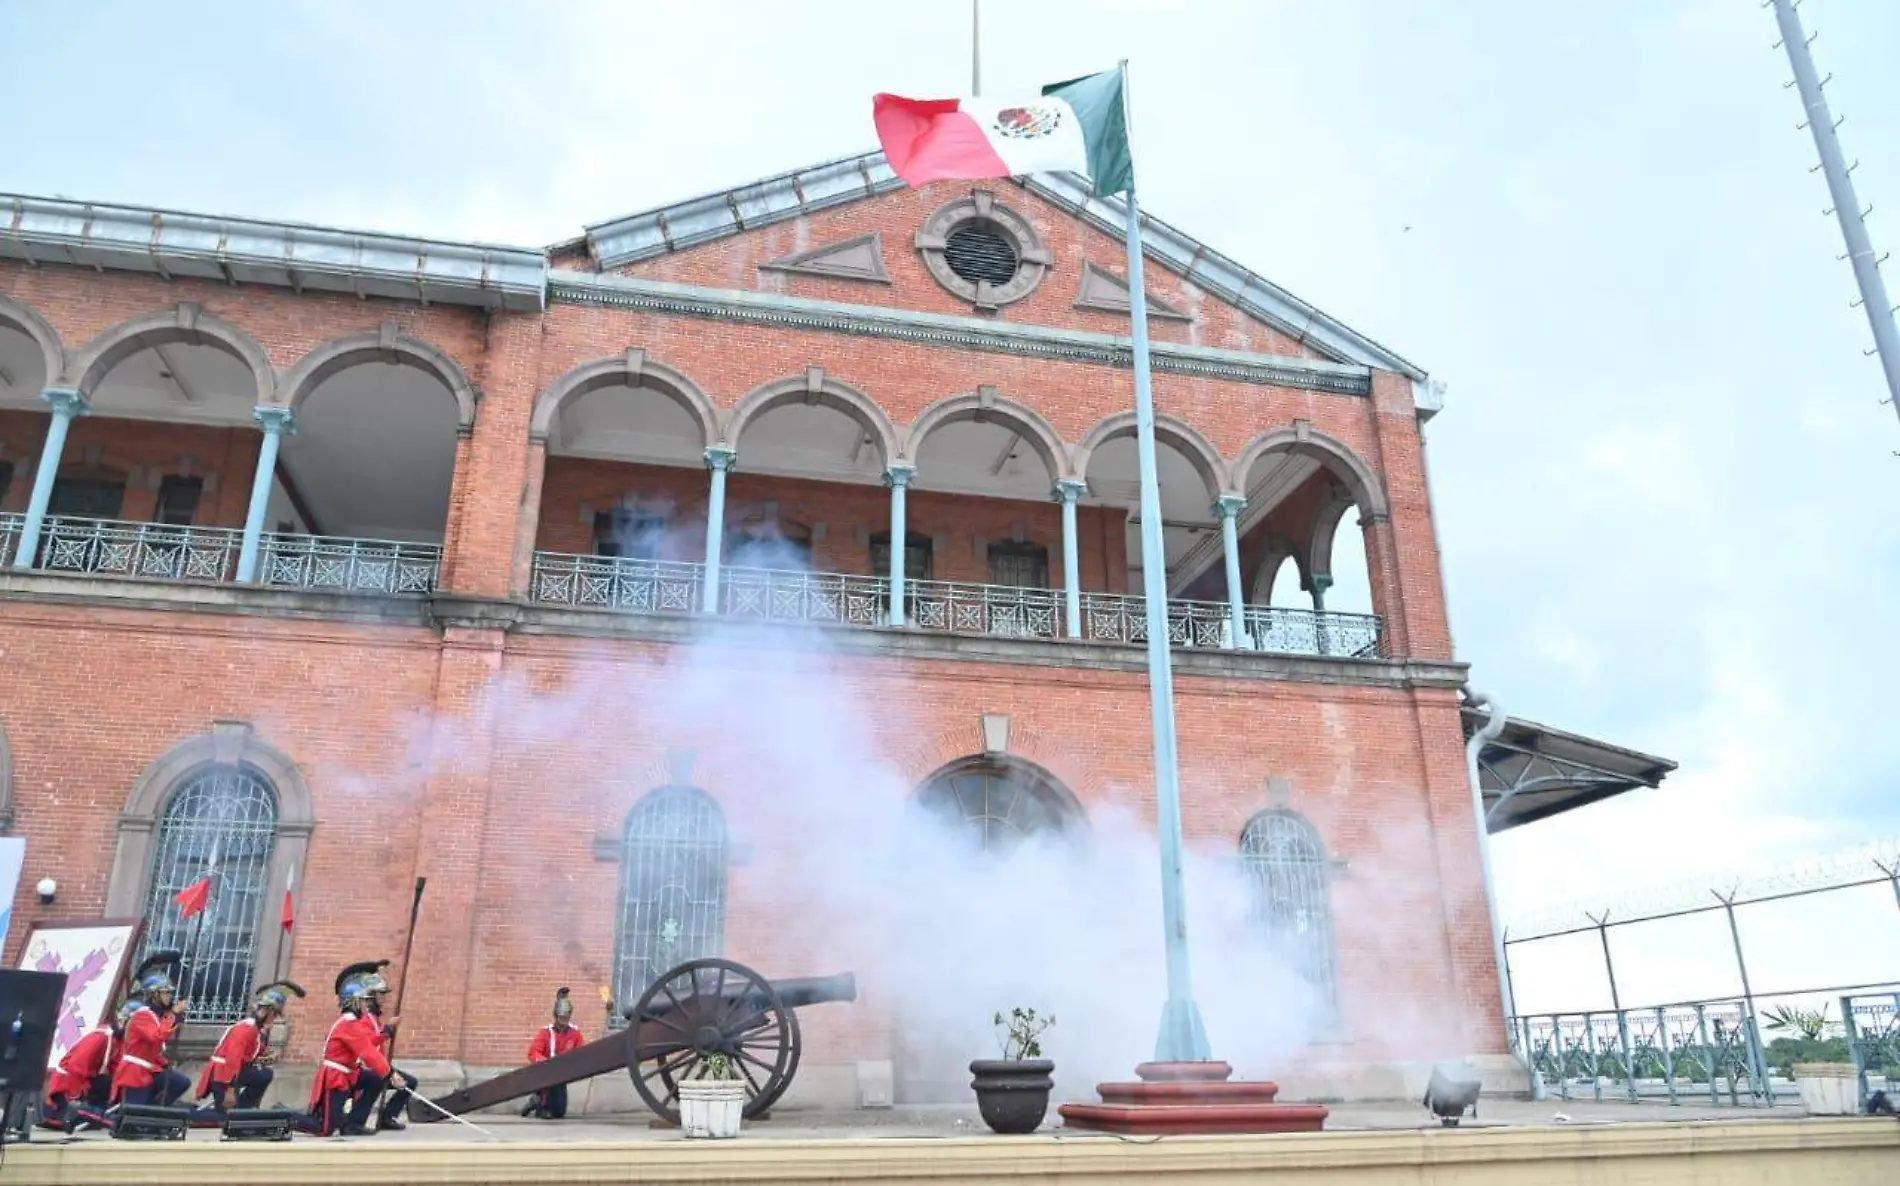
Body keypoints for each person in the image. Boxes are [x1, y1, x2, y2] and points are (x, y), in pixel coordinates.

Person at [307, 960, 411, 1136]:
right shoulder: (349, 1024)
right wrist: (390, 1073)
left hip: (348, 1074)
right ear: (354, 1002)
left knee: (374, 1081)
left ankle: (353, 1123)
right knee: (324, 1128)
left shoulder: (352, 1022)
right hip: (336, 1077)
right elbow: (367, 1051)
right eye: (363, 1001)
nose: (366, 1005)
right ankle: (284, 1117)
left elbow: (367, 1046)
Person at [195, 981, 304, 1114]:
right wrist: (230, 1089)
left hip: (234, 1072)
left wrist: (266, 1055)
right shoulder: (246, 1029)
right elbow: (233, 1060)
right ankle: (192, 1115)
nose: (274, 1019)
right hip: (224, 1075)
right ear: (264, 1012)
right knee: (224, 1118)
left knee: (264, 1075)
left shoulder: (256, 1030)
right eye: (273, 1015)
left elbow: (253, 1050)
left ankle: (243, 1109)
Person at [112, 952, 192, 1107]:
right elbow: (156, 1037)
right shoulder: (143, 1015)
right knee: (132, 1114)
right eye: (166, 992)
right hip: (135, 1072)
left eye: (170, 992)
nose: (170, 996)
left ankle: (156, 1110)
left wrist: (164, 1063)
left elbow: (154, 1047)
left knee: (180, 1082)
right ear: (154, 994)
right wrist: (173, 1015)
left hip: (150, 1070)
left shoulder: (155, 1016)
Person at [40, 1000, 131, 1130]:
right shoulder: (100, 1037)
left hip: (85, 1080)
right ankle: (81, 1112)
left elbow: (116, 1068)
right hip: (70, 1083)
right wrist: (79, 1093)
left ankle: (93, 1113)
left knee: (111, 1081)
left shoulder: (118, 1041)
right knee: (103, 1084)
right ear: (123, 1021)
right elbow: (77, 1066)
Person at [520, 987, 585, 1119]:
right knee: (546, 1112)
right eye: (561, 1018)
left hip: (562, 1074)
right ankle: (540, 1105)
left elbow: (581, 1052)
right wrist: (544, 1062)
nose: (563, 1022)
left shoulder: (575, 1033)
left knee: (560, 1112)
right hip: (546, 1073)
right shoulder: (545, 1032)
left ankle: (535, 1100)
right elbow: (533, 1052)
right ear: (556, 1017)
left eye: (566, 1018)